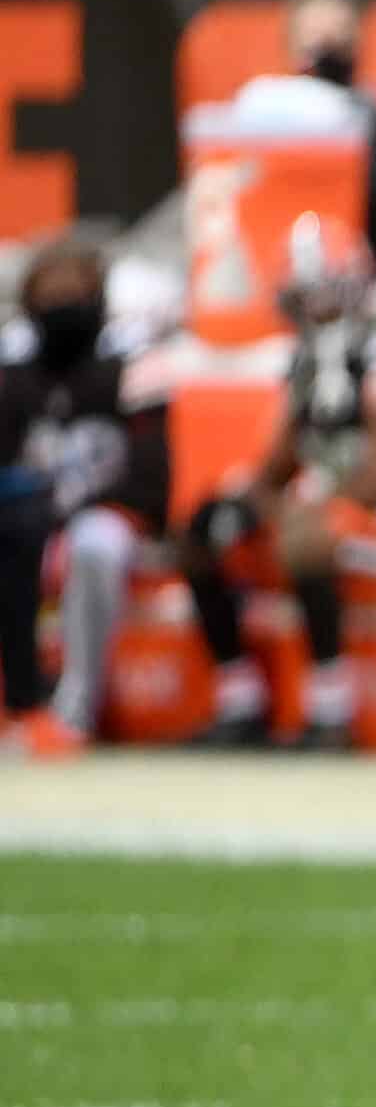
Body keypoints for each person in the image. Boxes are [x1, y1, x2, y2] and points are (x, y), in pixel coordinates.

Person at [180, 214, 376, 751]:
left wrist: (294, 509)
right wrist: (249, 505)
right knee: (203, 527)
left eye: (325, 293)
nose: (315, 308)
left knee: (311, 529)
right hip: (335, 519)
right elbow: (276, 468)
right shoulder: (307, 365)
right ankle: (240, 700)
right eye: (304, 294)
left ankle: (331, 710)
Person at [0, 237, 171, 757]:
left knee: (93, 546)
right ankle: (20, 704)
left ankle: (74, 708)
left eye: (72, 292)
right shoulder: (12, 370)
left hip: (104, 512)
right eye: (49, 295)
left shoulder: (130, 364)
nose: (61, 306)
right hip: (27, 520)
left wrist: (66, 508)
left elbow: (151, 478)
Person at [280, 0, 376, 267]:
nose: (329, 48)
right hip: (283, 252)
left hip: (361, 255)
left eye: (340, 35)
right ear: (292, 45)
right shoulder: (264, 106)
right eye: (316, 36)